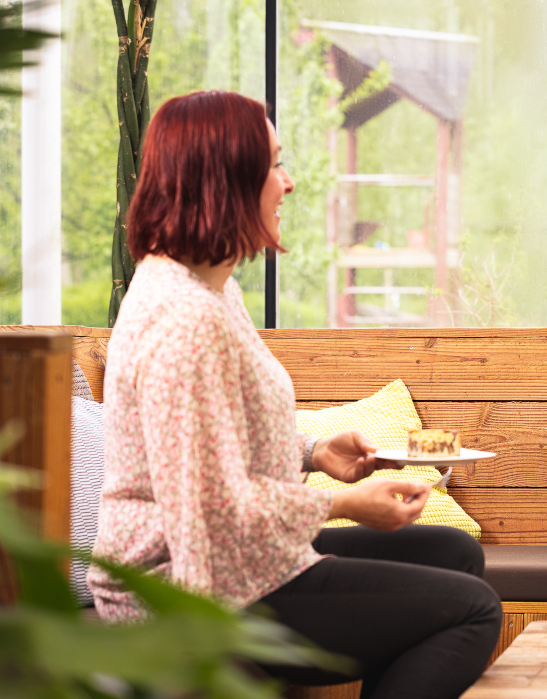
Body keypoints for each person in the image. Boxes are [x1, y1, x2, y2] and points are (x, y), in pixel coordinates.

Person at [87, 90, 502, 698]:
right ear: (225, 182)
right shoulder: (181, 318)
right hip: (184, 586)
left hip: (232, 558)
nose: (290, 182)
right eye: (274, 165)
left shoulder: (212, 289)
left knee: (449, 553)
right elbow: (210, 512)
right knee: (472, 608)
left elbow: (219, 438)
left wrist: (313, 453)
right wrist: (346, 504)